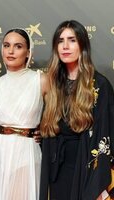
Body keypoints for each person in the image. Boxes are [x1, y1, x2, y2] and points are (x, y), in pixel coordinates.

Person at [39, 20, 114, 200]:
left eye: (72, 40)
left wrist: (98, 185)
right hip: (56, 169)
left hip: (86, 169)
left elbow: (106, 137)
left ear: (83, 44)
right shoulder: (52, 83)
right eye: (60, 40)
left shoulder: (99, 85)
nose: (65, 46)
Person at [0, 28, 48, 200]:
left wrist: (44, 133)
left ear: (28, 52)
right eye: (6, 45)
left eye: (18, 46)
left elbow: (58, 117)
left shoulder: (40, 80)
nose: (10, 51)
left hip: (26, 153)